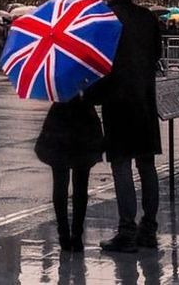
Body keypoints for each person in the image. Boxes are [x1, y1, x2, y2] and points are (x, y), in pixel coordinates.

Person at [85, 0, 163, 253]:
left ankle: (127, 231)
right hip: (144, 99)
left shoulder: (104, 18)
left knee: (121, 165)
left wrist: (90, 96)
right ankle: (150, 230)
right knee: (147, 165)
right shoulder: (148, 18)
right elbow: (156, 56)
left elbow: (97, 63)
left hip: (117, 102)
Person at [35, 95, 104, 252]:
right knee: (81, 184)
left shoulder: (58, 76)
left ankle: (63, 234)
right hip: (84, 123)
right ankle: (77, 235)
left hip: (60, 122)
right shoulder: (86, 76)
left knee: (60, 183)